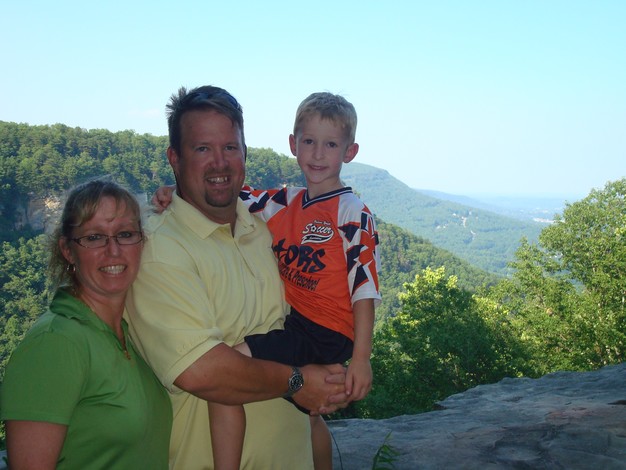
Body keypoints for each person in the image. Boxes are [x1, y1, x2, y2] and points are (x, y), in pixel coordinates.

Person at [125, 85, 348, 470]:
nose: (220, 163)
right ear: (175, 158)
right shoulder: (160, 249)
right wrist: (299, 382)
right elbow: (203, 372)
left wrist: (344, 364)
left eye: (230, 147)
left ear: (245, 153)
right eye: (202, 149)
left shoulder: (265, 226)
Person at [0, 180, 172, 470]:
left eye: (125, 234)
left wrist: (179, 193)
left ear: (141, 242)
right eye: (94, 237)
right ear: (67, 250)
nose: (113, 250)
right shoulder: (55, 343)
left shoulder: (127, 334)